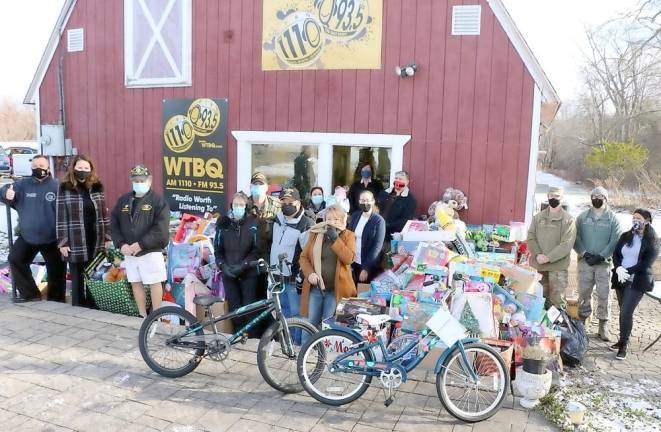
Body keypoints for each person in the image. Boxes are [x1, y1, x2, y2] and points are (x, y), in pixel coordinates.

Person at [1, 155, 66, 303]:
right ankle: (30, 295)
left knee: (57, 270)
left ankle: (56, 301)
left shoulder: (58, 187)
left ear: (48, 168)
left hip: (53, 238)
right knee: (15, 259)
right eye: (35, 166)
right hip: (28, 237)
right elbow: (4, 190)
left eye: (42, 166)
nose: (39, 169)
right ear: (31, 168)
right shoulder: (23, 185)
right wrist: (5, 192)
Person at [110, 165, 169, 317]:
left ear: (150, 180)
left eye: (142, 180)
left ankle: (156, 316)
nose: (138, 182)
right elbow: (114, 224)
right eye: (135, 180)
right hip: (129, 252)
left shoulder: (158, 201)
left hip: (150, 251)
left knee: (155, 282)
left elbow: (161, 230)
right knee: (136, 283)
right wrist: (121, 243)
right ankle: (142, 316)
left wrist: (142, 244)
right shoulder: (123, 200)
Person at [56, 155, 112, 307]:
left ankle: (93, 306)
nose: (83, 171)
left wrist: (107, 237)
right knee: (77, 277)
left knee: (94, 274)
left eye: (86, 168)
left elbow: (103, 214)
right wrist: (63, 242)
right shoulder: (65, 188)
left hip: (95, 237)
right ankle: (78, 307)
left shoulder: (96, 187)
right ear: (73, 169)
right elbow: (60, 217)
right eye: (79, 168)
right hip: (75, 239)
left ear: (91, 170)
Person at [573, 186, 621, 341]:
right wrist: (584, 253)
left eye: (600, 196)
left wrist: (601, 256)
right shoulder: (582, 217)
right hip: (585, 262)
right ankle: (584, 321)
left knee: (604, 294)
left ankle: (603, 325)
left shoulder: (612, 219)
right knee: (584, 292)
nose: (597, 198)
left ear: (606, 199)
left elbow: (615, 240)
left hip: (604, 264)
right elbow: (575, 237)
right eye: (594, 196)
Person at [610, 209, 658, 360]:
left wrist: (627, 271)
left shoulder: (653, 240)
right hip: (621, 278)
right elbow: (616, 253)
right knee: (622, 311)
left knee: (626, 311)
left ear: (647, 221)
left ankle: (624, 344)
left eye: (638, 218)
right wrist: (618, 268)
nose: (635, 221)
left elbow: (646, 263)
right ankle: (621, 339)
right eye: (633, 218)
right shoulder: (626, 236)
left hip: (637, 280)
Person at [299, 204, 357, 330]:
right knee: (309, 325)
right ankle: (305, 349)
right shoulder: (316, 233)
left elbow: (348, 259)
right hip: (316, 289)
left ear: (342, 220)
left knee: (328, 327)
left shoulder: (348, 235)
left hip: (335, 291)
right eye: (329, 218)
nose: (332, 222)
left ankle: (323, 350)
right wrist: (310, 274)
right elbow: (303, 258)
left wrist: (335, 238)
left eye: (336, 219)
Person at [214, 192, 261, 337]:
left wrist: (244, 265)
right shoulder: (223, 224)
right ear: (231, 206)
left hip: (249, 273)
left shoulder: (253, 223)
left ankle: (252, 338)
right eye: (236, 205)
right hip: (229, 273)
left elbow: (257, 249)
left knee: (249, 308)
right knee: (235, 309)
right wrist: (223, 266)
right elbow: (217, 250)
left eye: (241, 205)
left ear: (246, 207)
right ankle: (237, 337)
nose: (238, 207)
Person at [527, 186, 576, 310]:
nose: (554, 199)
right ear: (547, 197)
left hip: (557, 268)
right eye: (551, 196)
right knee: (538, 299)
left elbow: (567, 244)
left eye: (557, 196)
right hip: (539, 266)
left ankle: (558, 326)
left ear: (562, 198)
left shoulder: (568, 220)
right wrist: (538, 254)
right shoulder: (538, 217)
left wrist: (549, 257)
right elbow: (531, 237)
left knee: (556, 301)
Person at [270, 188, 313, 323]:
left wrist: (301, 274)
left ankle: (296, 343)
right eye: (284, 202)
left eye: (290, 202)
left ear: (298, 203)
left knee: (296, 312)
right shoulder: (277, 220)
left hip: (293, 277)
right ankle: (286, 341)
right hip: (276, 274)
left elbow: (308, 253)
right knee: (282, 310)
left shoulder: (306, 224)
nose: (286, 205)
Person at [348, 190, 386, 284]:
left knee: (364, 294)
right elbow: (349, 237)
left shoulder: (378, 221)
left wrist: (366, 269)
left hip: (369, 266)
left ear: (373, 201)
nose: (365, 203)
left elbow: (377, 247)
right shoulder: (355, 216)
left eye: (368, 200)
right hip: (354, 263)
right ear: (359, 202)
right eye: (362, 200)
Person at [378, 171, 417, 243]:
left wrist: (386, 226)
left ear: (407, 182)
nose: (398, 180)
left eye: (401, 179)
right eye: (396, 178)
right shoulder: (384, 193)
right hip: (377, 232)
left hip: (392, 237)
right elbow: (376, 210)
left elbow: (405, 221)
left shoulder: (410, 200)